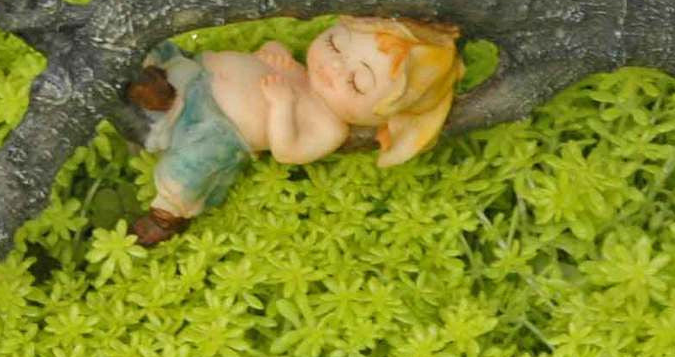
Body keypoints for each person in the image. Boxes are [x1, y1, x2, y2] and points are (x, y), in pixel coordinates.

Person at [127, 16, 464, 245]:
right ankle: (149, 80)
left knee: (192, 166)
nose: (333, 67)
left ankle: (167, 214)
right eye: (334, 45)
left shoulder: (328, 124)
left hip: (217, 127)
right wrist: (277, 54)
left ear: (378, 118)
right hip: (196, 71)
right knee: (160, 52)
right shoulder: (304, 74)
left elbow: (288, 152)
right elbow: (269, 50)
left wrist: (282, 106)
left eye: (357, 82)